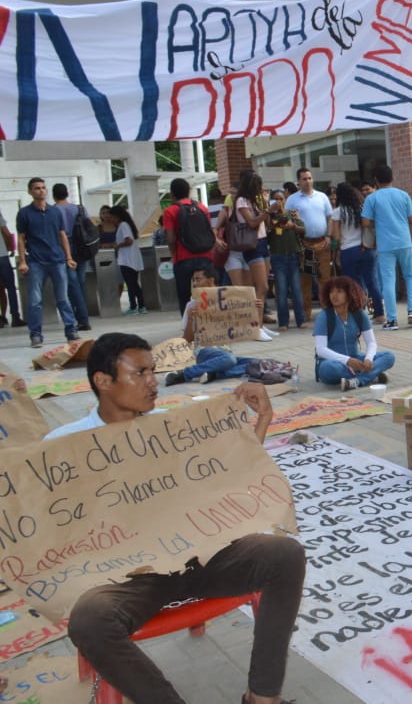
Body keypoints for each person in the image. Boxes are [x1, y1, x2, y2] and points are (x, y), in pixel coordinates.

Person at [45, 333, 304, 704]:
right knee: (89, 621)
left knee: (284, 554)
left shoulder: (173, 428)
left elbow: (228, 478)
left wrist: (261, 419)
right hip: (129, 578)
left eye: (153, 371)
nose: (153, 382)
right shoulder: (63, 446)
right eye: (140, 373)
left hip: (199, 557)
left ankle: (262, 698)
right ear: (103, 381)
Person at [165, 264, 264, 385]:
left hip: (225, 352)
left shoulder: (228, 301)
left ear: (211, 280)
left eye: (198, 279)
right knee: (230, 360)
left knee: (258, 363)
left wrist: (256, 309)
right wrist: (191, 318)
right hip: (204, 351)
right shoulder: (191, 305)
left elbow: (253, 326)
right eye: (193, 280)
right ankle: (185, 374)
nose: (195, 284)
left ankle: (214, 373)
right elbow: (187, 339)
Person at [15, 177, 80, 348]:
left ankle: (71, 330)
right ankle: (35, 334)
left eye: (43, 188)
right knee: (35, 300)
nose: (41, 190)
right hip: (36, 261)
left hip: (57, 260)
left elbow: (62, 235)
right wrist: (22, 261)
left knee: (63, 298)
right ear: (30, 191)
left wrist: (69, 257)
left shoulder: (55, 212)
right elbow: (21, 238)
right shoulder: (24, 213)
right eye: (37, 188)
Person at [312, 275, 395, 391]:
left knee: (389, 356)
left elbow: (371, 342)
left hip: (356, 359)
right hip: (333, 363)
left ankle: (357, 381)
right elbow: (321, 350)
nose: (334, 295)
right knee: (328, 368)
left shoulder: (359, 315)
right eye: (331, 292)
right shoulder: (324, 316)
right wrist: (347, 361)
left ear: (349, 294)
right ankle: (371, 375)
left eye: (339, 291)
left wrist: (368, 359)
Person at [362, 164, 412, 330]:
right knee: (410, 276)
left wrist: (377, 222)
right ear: (392, 178)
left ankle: (392, 320)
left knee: (388, 280)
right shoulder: (403, 195)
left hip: (385, 244)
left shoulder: (372, 198)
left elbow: (365, 222)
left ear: (376, 181)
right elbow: (411, 220)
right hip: (405, 241)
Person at [217, 171, 274, 333]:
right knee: (261, 287)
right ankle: (256, 326)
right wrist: (268, 211)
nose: (261, 189)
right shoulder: (241, 201)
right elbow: (252, 222)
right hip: (252, 245)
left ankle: (259, 323)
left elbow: (267, 224)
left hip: (263, 243)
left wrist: (265, 204)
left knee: (262, 286)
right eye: (258, 186)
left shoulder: (256, 201)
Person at [332, 182, 385, 323]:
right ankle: (380, 314)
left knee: (353, 284)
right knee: (372, 282)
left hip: (348, 251)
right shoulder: (362, 208)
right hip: (366, 249)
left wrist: (335, 251)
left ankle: (359, 314)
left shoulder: (338, 212)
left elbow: (336, 237)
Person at [163, 177, 216, 314]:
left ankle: (188, 326)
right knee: (207, 292)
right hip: (205, 255)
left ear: (172, 194)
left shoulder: (170, 211)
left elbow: (170, 238)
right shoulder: (202, 208)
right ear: (189, 191)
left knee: (184, 295)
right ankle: (209, 321)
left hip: (183, 257)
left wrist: (174, 253)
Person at [285, 168, 334, 319]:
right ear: (298, 182)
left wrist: (329, 236)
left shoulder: (322, 197)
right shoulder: (293, 199)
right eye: (304, 179)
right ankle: (306, 313)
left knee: (324, 279)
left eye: (310, 178)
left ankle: (328, 310)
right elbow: (287, 221)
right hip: (305, 244)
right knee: (305, 281)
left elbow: (330, 218)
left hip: (322, 243)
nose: (308, 181)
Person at [51, 183, 93, 331]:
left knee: (72, 285)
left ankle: (82, 318)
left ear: (53, 195)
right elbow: (90, 226)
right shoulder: (79, 208)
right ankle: (81, 315)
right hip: (81, 246)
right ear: (67, 193)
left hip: (63, 248)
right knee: (79, 283)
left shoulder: (53, 211)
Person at [265, 189, 309, 331]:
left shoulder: (292, 213)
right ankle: (283, 322)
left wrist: (293, 226)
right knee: (282, 291)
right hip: (278, 257)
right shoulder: (269, 217)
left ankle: (300, 320)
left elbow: (303, 230)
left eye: (281, 199)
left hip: (293, 255)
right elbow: (266, 229)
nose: (279, 202)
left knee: (296, 289)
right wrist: (270, 214)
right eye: (276, 199)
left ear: (285, 199)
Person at [108, 205, 147, 315]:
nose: (111, 219)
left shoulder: (123, 225)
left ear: (117, 216)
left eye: (112, 217)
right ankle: (141, 306)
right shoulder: (126, 224)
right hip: (131, 259)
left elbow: (129, 241)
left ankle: (134, 306)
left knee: (131, 284)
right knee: (133, 284)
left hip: (127, 260)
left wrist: (118, 246)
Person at [0, 209, 24, 328]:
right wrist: (11, 247)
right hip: (1, 256)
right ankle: (15, 316)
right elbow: (6, 232)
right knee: (10, 287)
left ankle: (2, 317)